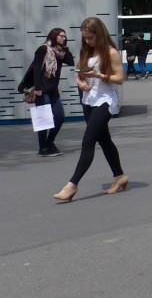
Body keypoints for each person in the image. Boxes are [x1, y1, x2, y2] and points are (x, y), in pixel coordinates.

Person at [53, 16, 128, 201]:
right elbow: (79, 72)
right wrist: (80, 82)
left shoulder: (110, 52)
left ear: (99, 34)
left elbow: (120, 78)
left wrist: (99, 75)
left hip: (105, 100)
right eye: (85, 38)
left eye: (90, 37)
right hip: (88, 100)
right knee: (105, 141)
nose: (87, 41)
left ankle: (72, 185)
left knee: (88, 141)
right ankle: (120, 176)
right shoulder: (86, 51)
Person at [18, 27, 75, 157]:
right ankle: (43, 148)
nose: (64, 38)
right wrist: (38, 88)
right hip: (42, 91)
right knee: (44, 120)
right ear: (54, 36)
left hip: (53, 91)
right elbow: (36, 69)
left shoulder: (60, 52)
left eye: (65, 36)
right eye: (61, 36)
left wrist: (66, 48)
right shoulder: (43, 49)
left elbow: (71, 62)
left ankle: (50, 142)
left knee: (59, 117)